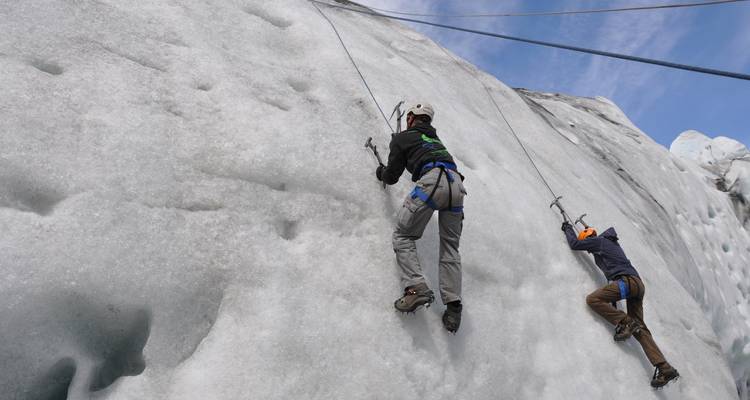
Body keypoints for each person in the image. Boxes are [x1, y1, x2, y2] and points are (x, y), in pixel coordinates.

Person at [376, 102, 466, 333]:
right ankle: (454, 307)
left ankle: (415, 288)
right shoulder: (437, 141)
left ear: (411, 119)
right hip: (456, 185)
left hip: (432, 182)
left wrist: (381, 173)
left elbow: (392, 176)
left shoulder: (403, 138)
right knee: (450, 247)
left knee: (403, 234)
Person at [561, 222, 680, 388]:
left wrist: (567, 228)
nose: (589, 249)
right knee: (639, 328)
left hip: (626, 282)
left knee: (593, 300)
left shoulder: (599, 241)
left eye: (588, 245)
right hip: (636, 285)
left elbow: (575, 244)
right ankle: (665, 368)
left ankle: (627, 323)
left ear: (589, 237)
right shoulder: (610, 244)